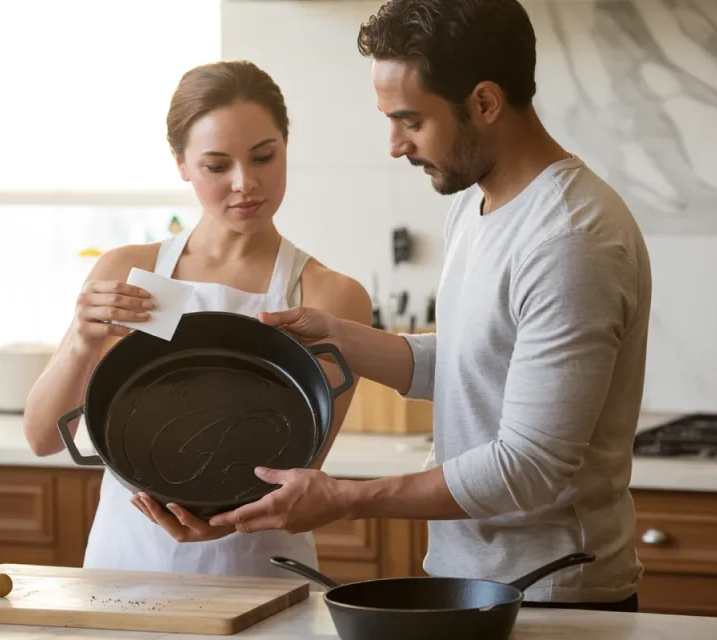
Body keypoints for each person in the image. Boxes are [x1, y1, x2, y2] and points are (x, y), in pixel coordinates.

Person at [210, 0, 652, 611]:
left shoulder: (570, 239)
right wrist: (336, 337)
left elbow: (528, 467)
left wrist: (345, 498)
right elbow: (475, 363)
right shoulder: (475, 204)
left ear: (486, 103)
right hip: (474, 579)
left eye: (410, 120)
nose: (395, 144)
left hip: (553, 593)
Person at [21, 60, 372, 578]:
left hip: (259, 574)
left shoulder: (332, 297)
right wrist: (80, 340)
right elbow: (42, 438)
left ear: (285, 147)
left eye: (264, 156)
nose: (244, 183)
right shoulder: (128, 271)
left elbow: (302, 472)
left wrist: (224, 523)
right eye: (216, 165)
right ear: (181, 164)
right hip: (127, 568)